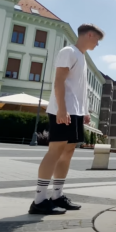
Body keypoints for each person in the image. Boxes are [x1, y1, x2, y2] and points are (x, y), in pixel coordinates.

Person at [28, 24, 104, 215]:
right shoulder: (68, 52)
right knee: (55, 150)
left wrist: (84, 111)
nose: (97, 44)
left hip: (75, 111)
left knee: (68, 151)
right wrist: (62, 109)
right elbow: (59, 81)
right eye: (97, 40)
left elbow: (78, 87)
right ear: (89, 35)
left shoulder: (81, 57)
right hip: (63, 110)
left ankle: (57, 195)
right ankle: (39, 200)